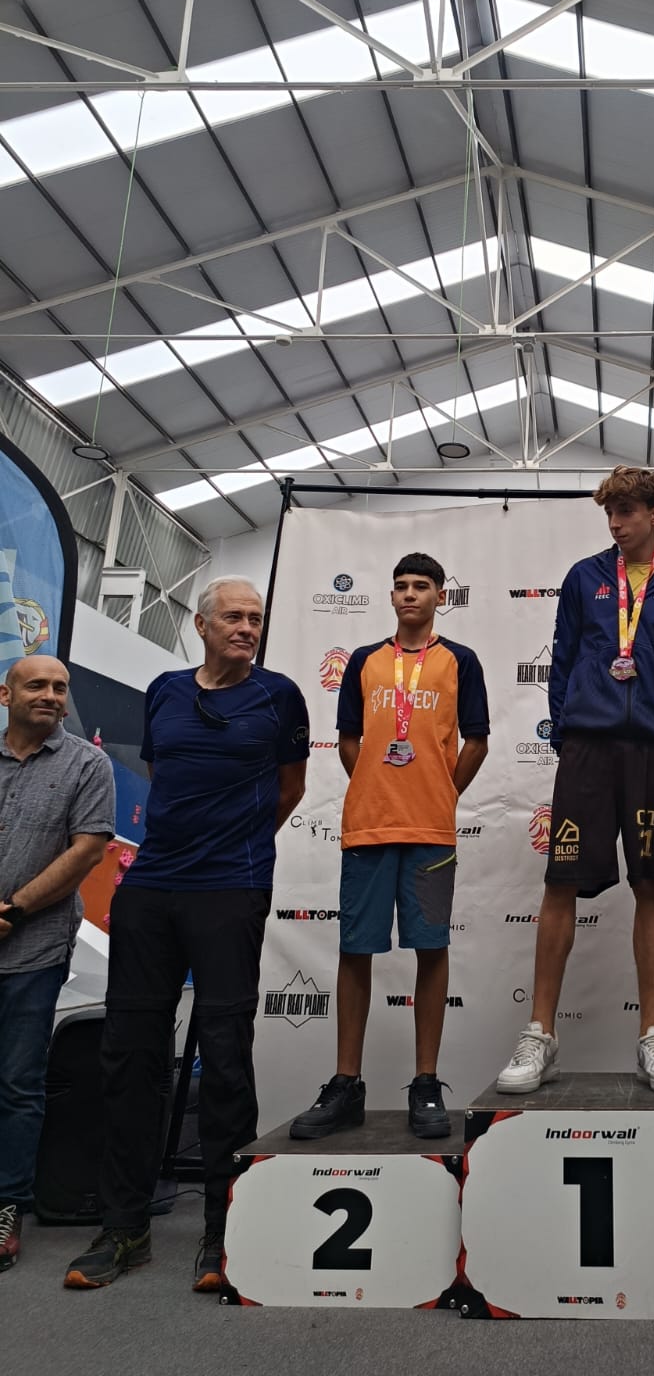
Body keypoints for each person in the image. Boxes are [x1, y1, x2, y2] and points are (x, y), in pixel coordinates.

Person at [64, 578, 309, 1293]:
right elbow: (164, 776)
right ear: (201, 625)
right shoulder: (166, 692)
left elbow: (290, 788)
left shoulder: (280, 697)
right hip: (151, 888)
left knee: (226, 1058)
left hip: (230, 887)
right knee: (129, 1056)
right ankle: (124, 1227)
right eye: (233, 617)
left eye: (255, 618)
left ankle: (225, 1231)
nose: (247, 628)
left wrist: (237, 847)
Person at [497, 466, 654, 1094]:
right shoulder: (583, 577)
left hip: (650, 750)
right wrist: (567, 733)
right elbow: (561, 659)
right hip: (587, 747)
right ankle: (540, 1033)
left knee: (650, 884)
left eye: (627, 512)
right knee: (560, 882)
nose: (616, 524)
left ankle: (652, 1035)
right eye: (610, 513)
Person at [289, 553, 489, 1142]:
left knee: (431, 947)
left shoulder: (461, 661)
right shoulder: (364, 661)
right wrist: (379, 786)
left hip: (430, 833)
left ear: (440, 596)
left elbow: (477, 740)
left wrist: (441, 791)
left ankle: (425, 1082)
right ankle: (345, 1083)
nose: (409, 594)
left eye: (421, 586)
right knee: (356, 949)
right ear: (391, 595)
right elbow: (349, 740)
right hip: (369, 828)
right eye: (400, 586)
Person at [0, 657, 114, 1272]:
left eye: (60, 687)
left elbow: (88, 850)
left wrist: (13, 911)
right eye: (37, 685)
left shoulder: (88, 765)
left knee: (18, 1083)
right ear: (6, 694)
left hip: (33, 949)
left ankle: (6, 1205)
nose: (51, 695)